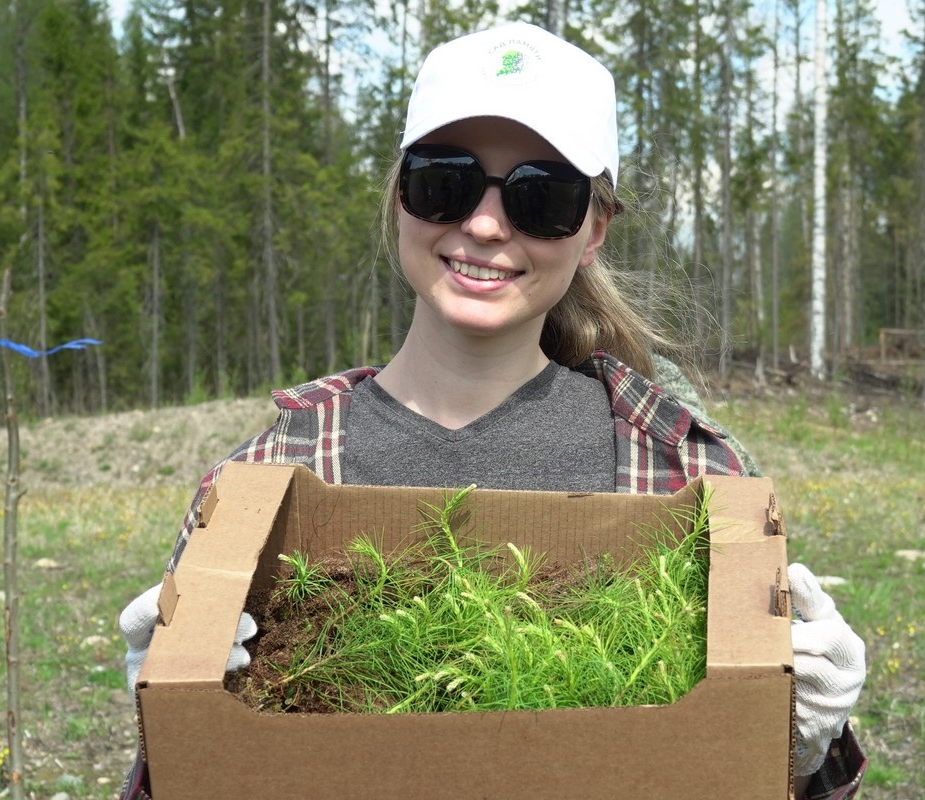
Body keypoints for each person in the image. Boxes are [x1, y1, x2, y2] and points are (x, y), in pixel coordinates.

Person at [119, 21, 866, 799]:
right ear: (401, 196)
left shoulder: (688, 472)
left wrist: (802, 756)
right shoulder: (264, 482)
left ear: (593, 231)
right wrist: (169, 745)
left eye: (541, 197)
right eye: (445, 180)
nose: (483, 224)